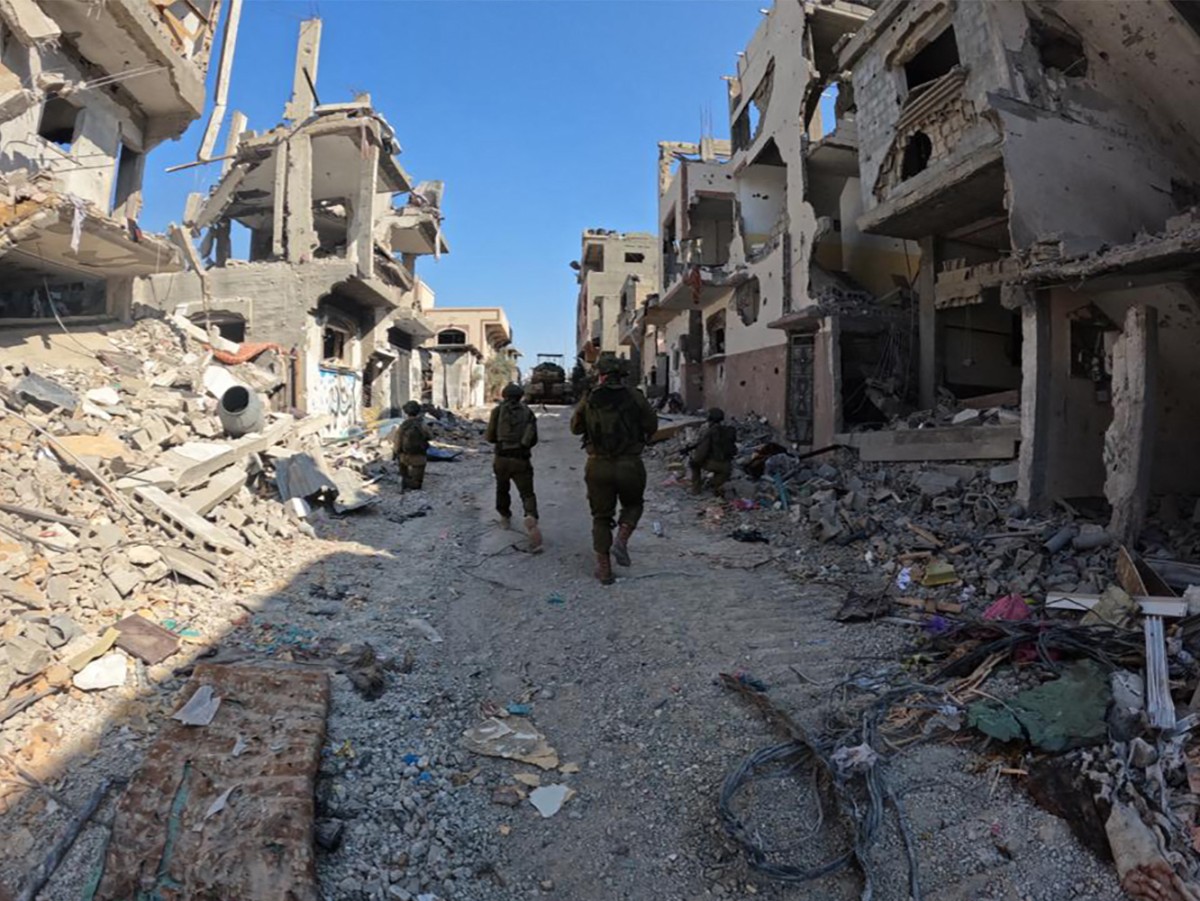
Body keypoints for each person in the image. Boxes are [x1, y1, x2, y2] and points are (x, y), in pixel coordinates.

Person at [569, 355, 658, 584]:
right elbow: (652, 426)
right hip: (630, 463)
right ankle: (622, 538)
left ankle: (604, 569)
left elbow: (575, 428)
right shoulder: (635, 396)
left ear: (600, 375)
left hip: (598, 464)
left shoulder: (590, 398)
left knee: (600, 517)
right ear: (622, 375)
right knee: (634, 504)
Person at [486, 382, 542, 550]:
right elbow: (533, 439)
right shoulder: (528, 412)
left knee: (502, 488)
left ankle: (504, 517)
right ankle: (530, 516)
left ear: (504, 395)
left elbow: (490, 437)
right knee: (527, 493)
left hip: (502, 459)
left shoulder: (497, 411)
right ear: (521, 396)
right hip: (521, 460)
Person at [689, 408, 737, 496]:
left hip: (716, 464)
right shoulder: (728, 430)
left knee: (694, 465)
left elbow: (702, 452)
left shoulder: (711, 432)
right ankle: (716, 487)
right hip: (727, 466)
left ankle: (695, 490)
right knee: (718, 480)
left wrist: (695, 461)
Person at [393, 400, 432, 490]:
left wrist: (396, 453)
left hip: (405, 456)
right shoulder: (421, 424)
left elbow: (397, 442)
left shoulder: (403, 426)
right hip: (419, 456)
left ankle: (406, 481)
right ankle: (414, 483)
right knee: (417, 483)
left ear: (406, 412)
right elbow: (430, 436)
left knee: (403, 470)